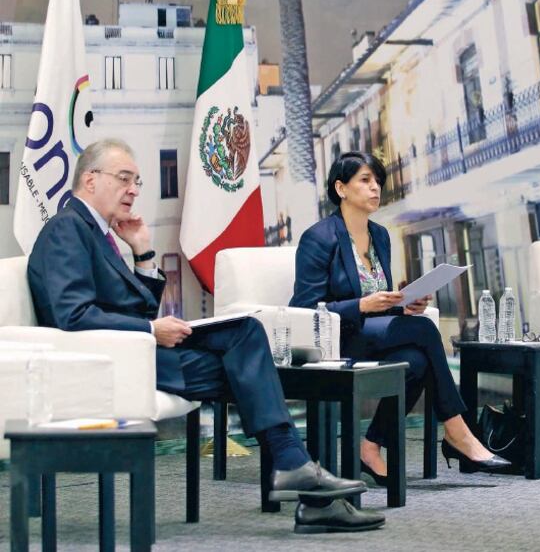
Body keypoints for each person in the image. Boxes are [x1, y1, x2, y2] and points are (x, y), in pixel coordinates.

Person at [27, 139, 384, 534]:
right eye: (124, 178)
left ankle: (297, 470)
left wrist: (143, 253)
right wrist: (150, 329)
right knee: (252, 372)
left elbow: (131, 308)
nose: (133, 189)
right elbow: (73, 315)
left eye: (137, 181)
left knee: (246, 331)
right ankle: (306, 485)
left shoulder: (97, 233)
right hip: (113, 362)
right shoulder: (67, 229)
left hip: (136, 350)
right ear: (90, 180)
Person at [290, 151, 510, 483]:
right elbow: (306, 309)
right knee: (422, 331)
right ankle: (458, 431)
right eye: (365, 180)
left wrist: (403, 304)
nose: (375, 187)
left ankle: (371, 446)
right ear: (341, 188)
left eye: (378, 181)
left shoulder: (380, 236)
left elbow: (380, 300)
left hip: (370, 335)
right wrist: (363, 306)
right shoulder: (319, 238)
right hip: (335, 341)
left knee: (416, 361)